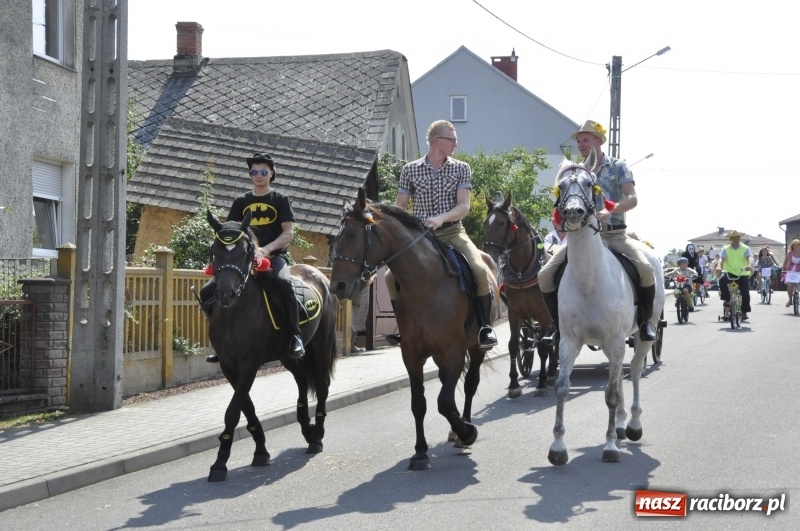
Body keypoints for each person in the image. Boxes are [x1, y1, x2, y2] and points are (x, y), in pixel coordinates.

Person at [538, 120, 658, 342]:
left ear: (599, 141)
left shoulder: (618, 166)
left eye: (585, 139)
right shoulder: (576, 171)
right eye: (579, 141)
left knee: (646, 270)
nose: (580, 144)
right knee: (545, 276)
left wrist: (610, 209)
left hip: (614, 234)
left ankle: (644, 323)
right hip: (582, 238)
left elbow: (632, 199)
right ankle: (559, 327)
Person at [384, 120, 497, 350]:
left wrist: (441, 218)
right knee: (388, 277)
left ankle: (485, 327)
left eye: (455, 140)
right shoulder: (410, 170)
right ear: (438, 141)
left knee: (478, 268)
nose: (456, 143)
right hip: (421, 236)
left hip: (452, 231)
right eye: (452, 139)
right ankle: (403, 328)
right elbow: (401, 206)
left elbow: (464, 207)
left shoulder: (461, 168)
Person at [200, 152, 304, 362]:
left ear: (271, 174)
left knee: (284, 284)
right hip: (243, 260)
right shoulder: (241, 201)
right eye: (254, 172)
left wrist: (265, 249)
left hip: (274, 257)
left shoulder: (280, 199)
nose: (259, 175)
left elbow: (288, 233)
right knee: (207, 291)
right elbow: (230, 231)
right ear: (250, 175)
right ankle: (221, 342)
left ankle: (295, 336)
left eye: (263, 171)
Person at [716, 230, 752, 320]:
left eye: (737, 238)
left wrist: (749, 266)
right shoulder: (726, 248)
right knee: (722, 281)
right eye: (734, 238)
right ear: (730, 239)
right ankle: (727, 300)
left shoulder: (745, 248)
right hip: (730, 272)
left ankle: (744, 312)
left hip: (742, 273)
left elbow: (749, 258)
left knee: (745, 292)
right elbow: (721, 259)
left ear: (739, 239)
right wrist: (719, 266)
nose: (736, 240)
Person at [782, 238, 800, 308]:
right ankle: (790, 300)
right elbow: (785, 263)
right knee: (790, 286)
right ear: (792, 246)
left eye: (798, 245)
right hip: (791, 271)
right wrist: (783, 271)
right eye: (794, 245)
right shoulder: (789, 253)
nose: (796, 246)